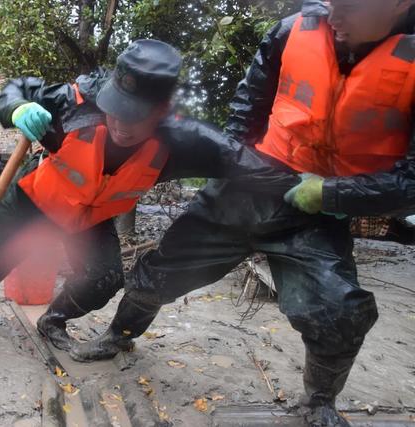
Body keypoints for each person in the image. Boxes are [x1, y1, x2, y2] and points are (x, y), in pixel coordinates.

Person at [71, 1, 415, 426]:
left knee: (339, 312)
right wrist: (231, 166)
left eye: (347, 6)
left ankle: (319, 400)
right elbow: (247, 108)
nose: (333, 16)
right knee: (160, 272)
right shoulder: (291, 31)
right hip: (246, 187)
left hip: (319, 209)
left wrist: (334, 194)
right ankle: (118, 335)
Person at [0, 40, 288, 342]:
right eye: (115, 109)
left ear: (161, 112)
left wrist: (305, 188)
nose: (120, 124)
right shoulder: (74, 101)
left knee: (104, 278)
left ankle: (53, 320)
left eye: (135, 116)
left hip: (89, 220)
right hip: (34, 201)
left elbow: (241, 160)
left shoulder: (183, 141)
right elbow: (15, 88)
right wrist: (17, 108)